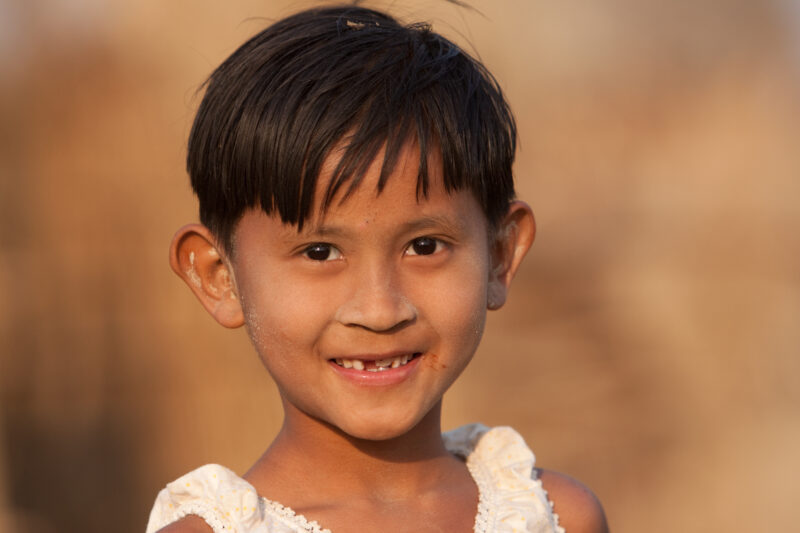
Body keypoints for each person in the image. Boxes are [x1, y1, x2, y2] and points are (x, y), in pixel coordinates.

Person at [147, 5, 608, 533]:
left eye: (425, 246)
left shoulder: (556, 515)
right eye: (320, 252)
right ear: (218, 276)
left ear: (500, 255)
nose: (380, 309)